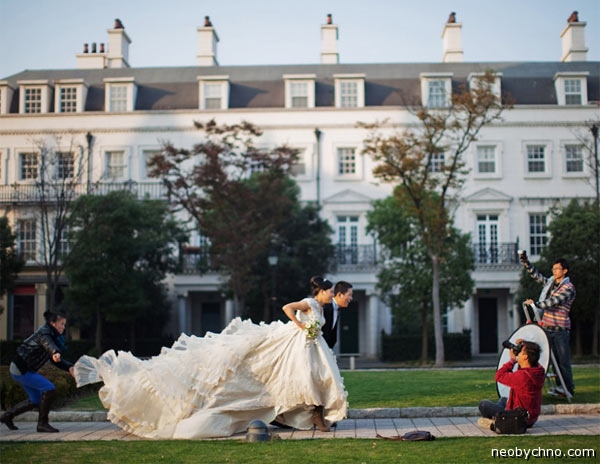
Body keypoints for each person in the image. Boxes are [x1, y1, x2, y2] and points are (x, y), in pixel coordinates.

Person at [73, 276, 348, 439]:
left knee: (312, 379)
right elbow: (287, 308)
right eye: (329, 291)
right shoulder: (310, 303)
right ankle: (313, 417)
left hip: (309, 346)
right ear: (322, 292)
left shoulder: (322, 308)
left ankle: (312, 416)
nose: (330, 295)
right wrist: (302, 326)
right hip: (295, 342)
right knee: (296, 377)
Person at [1, 311, 75, 433]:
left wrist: (69, 367)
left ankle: (7, 416)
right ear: (53, 323)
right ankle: (42, 424)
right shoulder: (45, 332)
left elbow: (55, 360)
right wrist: (54, 351)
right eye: (62, 324)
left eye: (64, 324)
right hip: (21, 369)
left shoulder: (53, 335)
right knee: (49, 388)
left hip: (24, 369)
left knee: (35, 400)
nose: (63, 327)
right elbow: (47, 343)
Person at [520, 253, 575, 397]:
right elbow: (538, 277)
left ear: (565, 271)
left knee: (563, 361)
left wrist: (535, 304)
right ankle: (560, 387)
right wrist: (526, 263)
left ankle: (568, 389)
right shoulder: (551, 283)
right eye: (553, 269)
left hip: (560, 329)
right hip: (547, 327)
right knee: (552, 360)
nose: (554, 271)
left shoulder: (568, 288)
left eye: (557, 269)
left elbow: (554, 301)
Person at [478, 339, 545, 430]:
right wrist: (525, 344)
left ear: (525, 357)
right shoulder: (538, 371)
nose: (518, 354)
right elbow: (533, 357)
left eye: (520, 352)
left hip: (518, 417)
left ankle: (501, 421)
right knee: (503, 400)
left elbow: (499, 376)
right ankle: (499, 417)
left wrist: (512, 360)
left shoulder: (522, 376)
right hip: (531, 417)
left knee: (483, 404)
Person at [321, 281, 353, 349]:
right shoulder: (325, 308)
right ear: (339, 295)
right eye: (349, 295)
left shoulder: (336, 309)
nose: (351, 298)